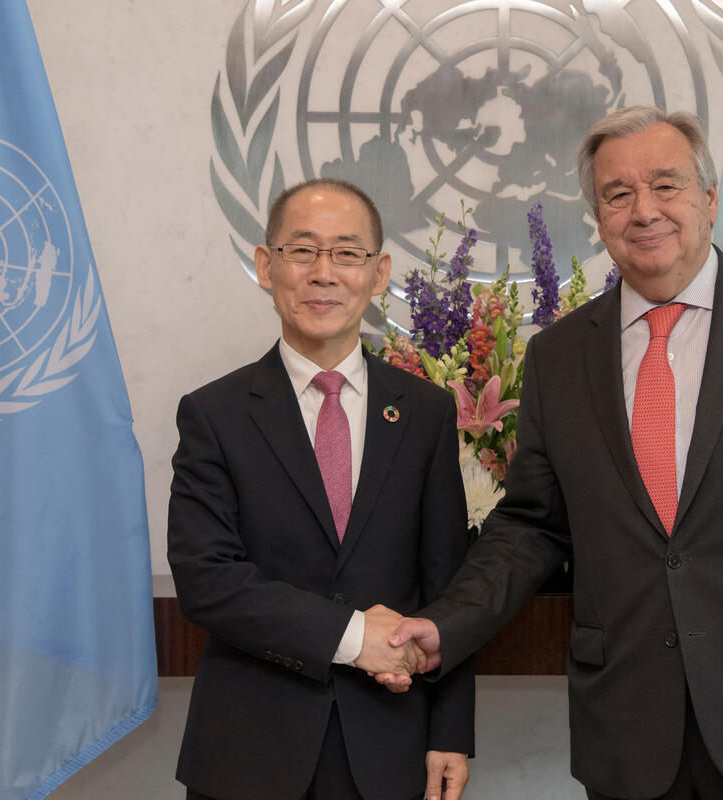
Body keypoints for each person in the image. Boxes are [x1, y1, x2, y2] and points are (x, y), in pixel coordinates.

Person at [381, 107, 723, 799]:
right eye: (618, 194)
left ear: (709, 199)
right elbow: (532, 525)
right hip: (629, 727)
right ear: (598, 219)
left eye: (666, 185)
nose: (644, 210)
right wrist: (444, 626)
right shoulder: (559, 356)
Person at [167, 178, 473, 800]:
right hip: (248, 748)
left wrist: (451, 732)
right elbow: (207, 581)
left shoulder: (426, 412)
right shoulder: (214, 413)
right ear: (266, 266)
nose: (323, 273)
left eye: (347, 253)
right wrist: (354, 637)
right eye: (302, 251)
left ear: (379, 273)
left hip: (391, 742)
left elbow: (448, 587)